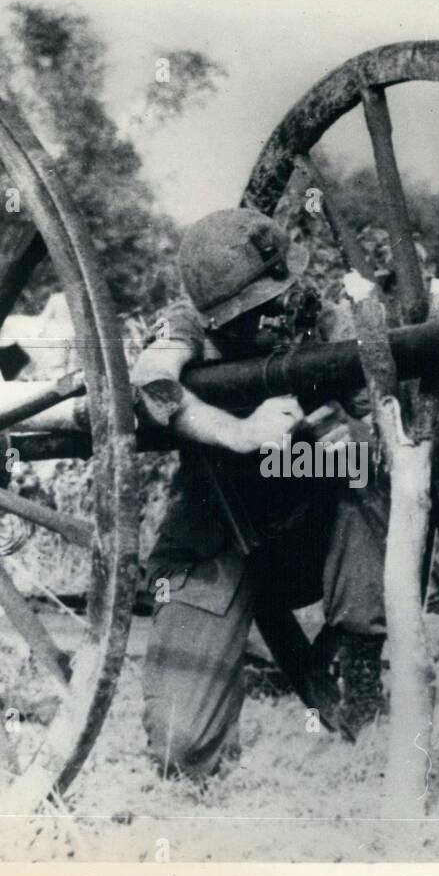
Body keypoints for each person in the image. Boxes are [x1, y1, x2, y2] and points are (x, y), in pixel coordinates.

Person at [130, 208, 388, 778]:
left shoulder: (316, 318)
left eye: (282, 295)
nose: (277, 314)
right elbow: (153, 381)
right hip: (216, 539)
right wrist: (242, 433)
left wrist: (354, 426)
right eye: (259, 307)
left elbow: (382, 405)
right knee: (181, 746)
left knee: (358, 467)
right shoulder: (187, 323)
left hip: (303, 538)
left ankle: (360, 661)